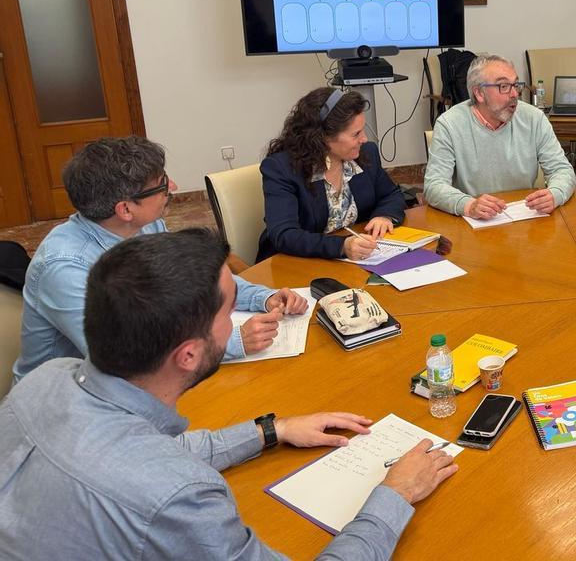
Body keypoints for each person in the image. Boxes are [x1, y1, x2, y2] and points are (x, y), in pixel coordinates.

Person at [0, 229, 457, 558]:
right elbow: (157, 474)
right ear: (188, 354)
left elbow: (142, 452)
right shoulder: (182, 496)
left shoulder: (47, 379)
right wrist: (394, 494)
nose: (238, 318)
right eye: (229, 311)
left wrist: (271, 431)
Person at [15, 137, 305, 383]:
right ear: (125, 209)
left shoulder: (146, 224)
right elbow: (121, 355)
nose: (174, 187)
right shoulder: (64, 268)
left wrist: (263, 298)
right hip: (65, 398)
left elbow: (196, 280)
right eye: (162, 185)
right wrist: (232, 341)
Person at [259, 87, 408, 262]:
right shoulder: (281, 168)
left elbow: (391, 195)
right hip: (295, 264)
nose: (365, 139)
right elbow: (285, 235)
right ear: (324, 137)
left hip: (352, 263)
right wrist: (341, 246)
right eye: (356, 134)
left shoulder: (366, 154)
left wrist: (383, 216)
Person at [424, 53, 576, 219]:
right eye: (503, 86)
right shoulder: (449, 124)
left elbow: (562, 170)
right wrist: (468, 205)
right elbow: (434, 186)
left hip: (524, 217)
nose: (514, 94)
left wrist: (555, 194)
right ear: (479, 93)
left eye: (516, 85)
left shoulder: (534, 118)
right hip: (475, 223)